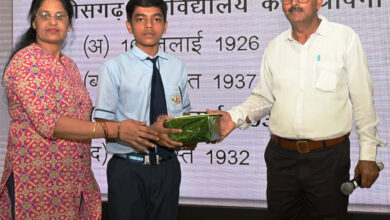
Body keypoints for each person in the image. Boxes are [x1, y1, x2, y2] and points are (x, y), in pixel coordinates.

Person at [207, 0, 387, 219]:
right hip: (281, 159)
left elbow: (363, 101)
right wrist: (233, 117)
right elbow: (265, 98)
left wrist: (368, 155)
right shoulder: (275, 47)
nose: (293, 3)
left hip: (328, 160)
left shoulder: (345, 39)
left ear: (319, 2)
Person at [0, 0, 160, 219]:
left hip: (73, 180)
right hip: (37, 183)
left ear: (69, 24)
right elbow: (50, 123)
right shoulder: (26, 61)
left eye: (60, 16)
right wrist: (116, 130)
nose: (53, 22)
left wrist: (143, 125)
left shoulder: (69, 65)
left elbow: (84, 116)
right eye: (45, 15)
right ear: (34, 22)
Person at [93, 0, 195, 219]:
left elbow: (184, 116)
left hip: (168, 168)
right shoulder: (114, 67)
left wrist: (196, 134)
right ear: (129, 26)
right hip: (127, 169)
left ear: (165, 26)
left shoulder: (178, 67)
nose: (149, 26)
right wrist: (144, 132)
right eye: (141, 19)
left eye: (156, 19)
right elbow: (102, 122)